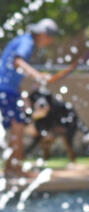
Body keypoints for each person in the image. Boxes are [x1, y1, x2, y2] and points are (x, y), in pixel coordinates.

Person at [0, 18, 58, 177]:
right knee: (17, 128)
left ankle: (11, 169)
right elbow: (17, 62)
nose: (50, 41)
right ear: (43, 34)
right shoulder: (28, 43)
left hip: (8, 90)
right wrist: (38, 75)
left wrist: (20, 94)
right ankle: (15, 169)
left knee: (16, 128)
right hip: (5, 90)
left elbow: (10, 70)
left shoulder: (23, 40)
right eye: (50, 37)